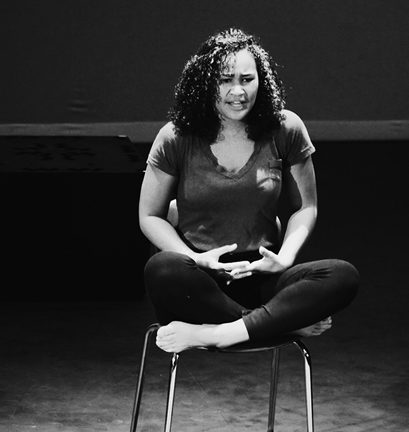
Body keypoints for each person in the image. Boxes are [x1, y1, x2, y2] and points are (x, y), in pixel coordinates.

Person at [139, 28, 359, 353]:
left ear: (261, 80)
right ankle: (271, 324)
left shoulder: (286, 128)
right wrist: (196, 258)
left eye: (247, 79)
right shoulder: (176, 136)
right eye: (225, 80)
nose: (238, 91)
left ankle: (218, 334)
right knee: (162, 268)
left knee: (343, 275)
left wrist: (284, 258)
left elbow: (306, 207)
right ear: (205, 82)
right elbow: (150, 216)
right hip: (199, 280)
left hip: (261, 273)